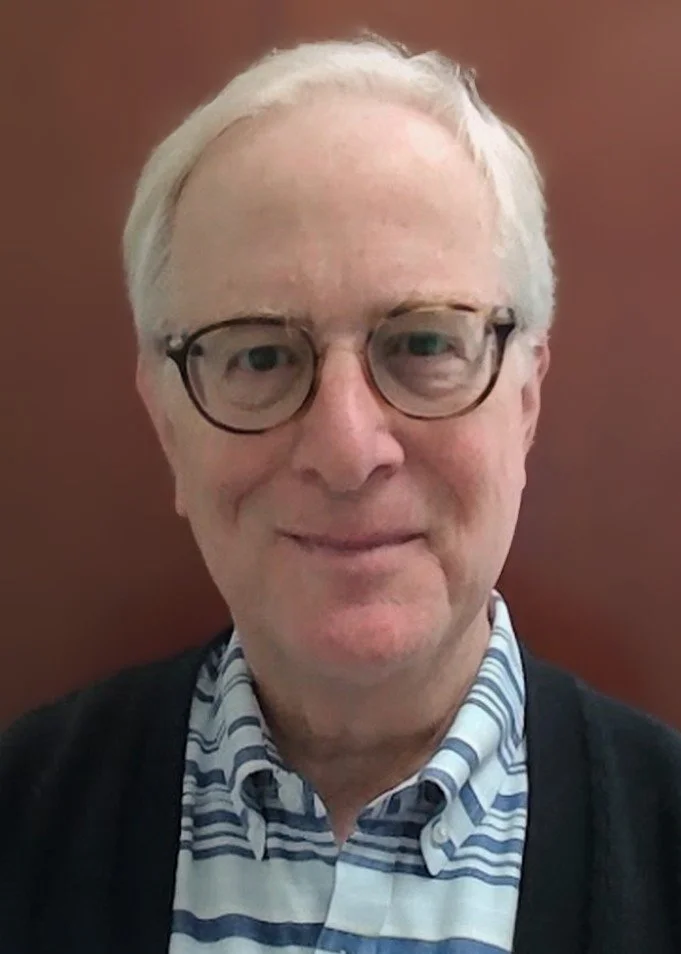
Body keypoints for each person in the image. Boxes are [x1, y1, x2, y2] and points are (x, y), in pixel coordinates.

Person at [1, 33, 680, 954]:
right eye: (260, 356)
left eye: (424, 344)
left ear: (524, 403)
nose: (347, 451)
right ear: (167, 426)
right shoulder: (23, 818)